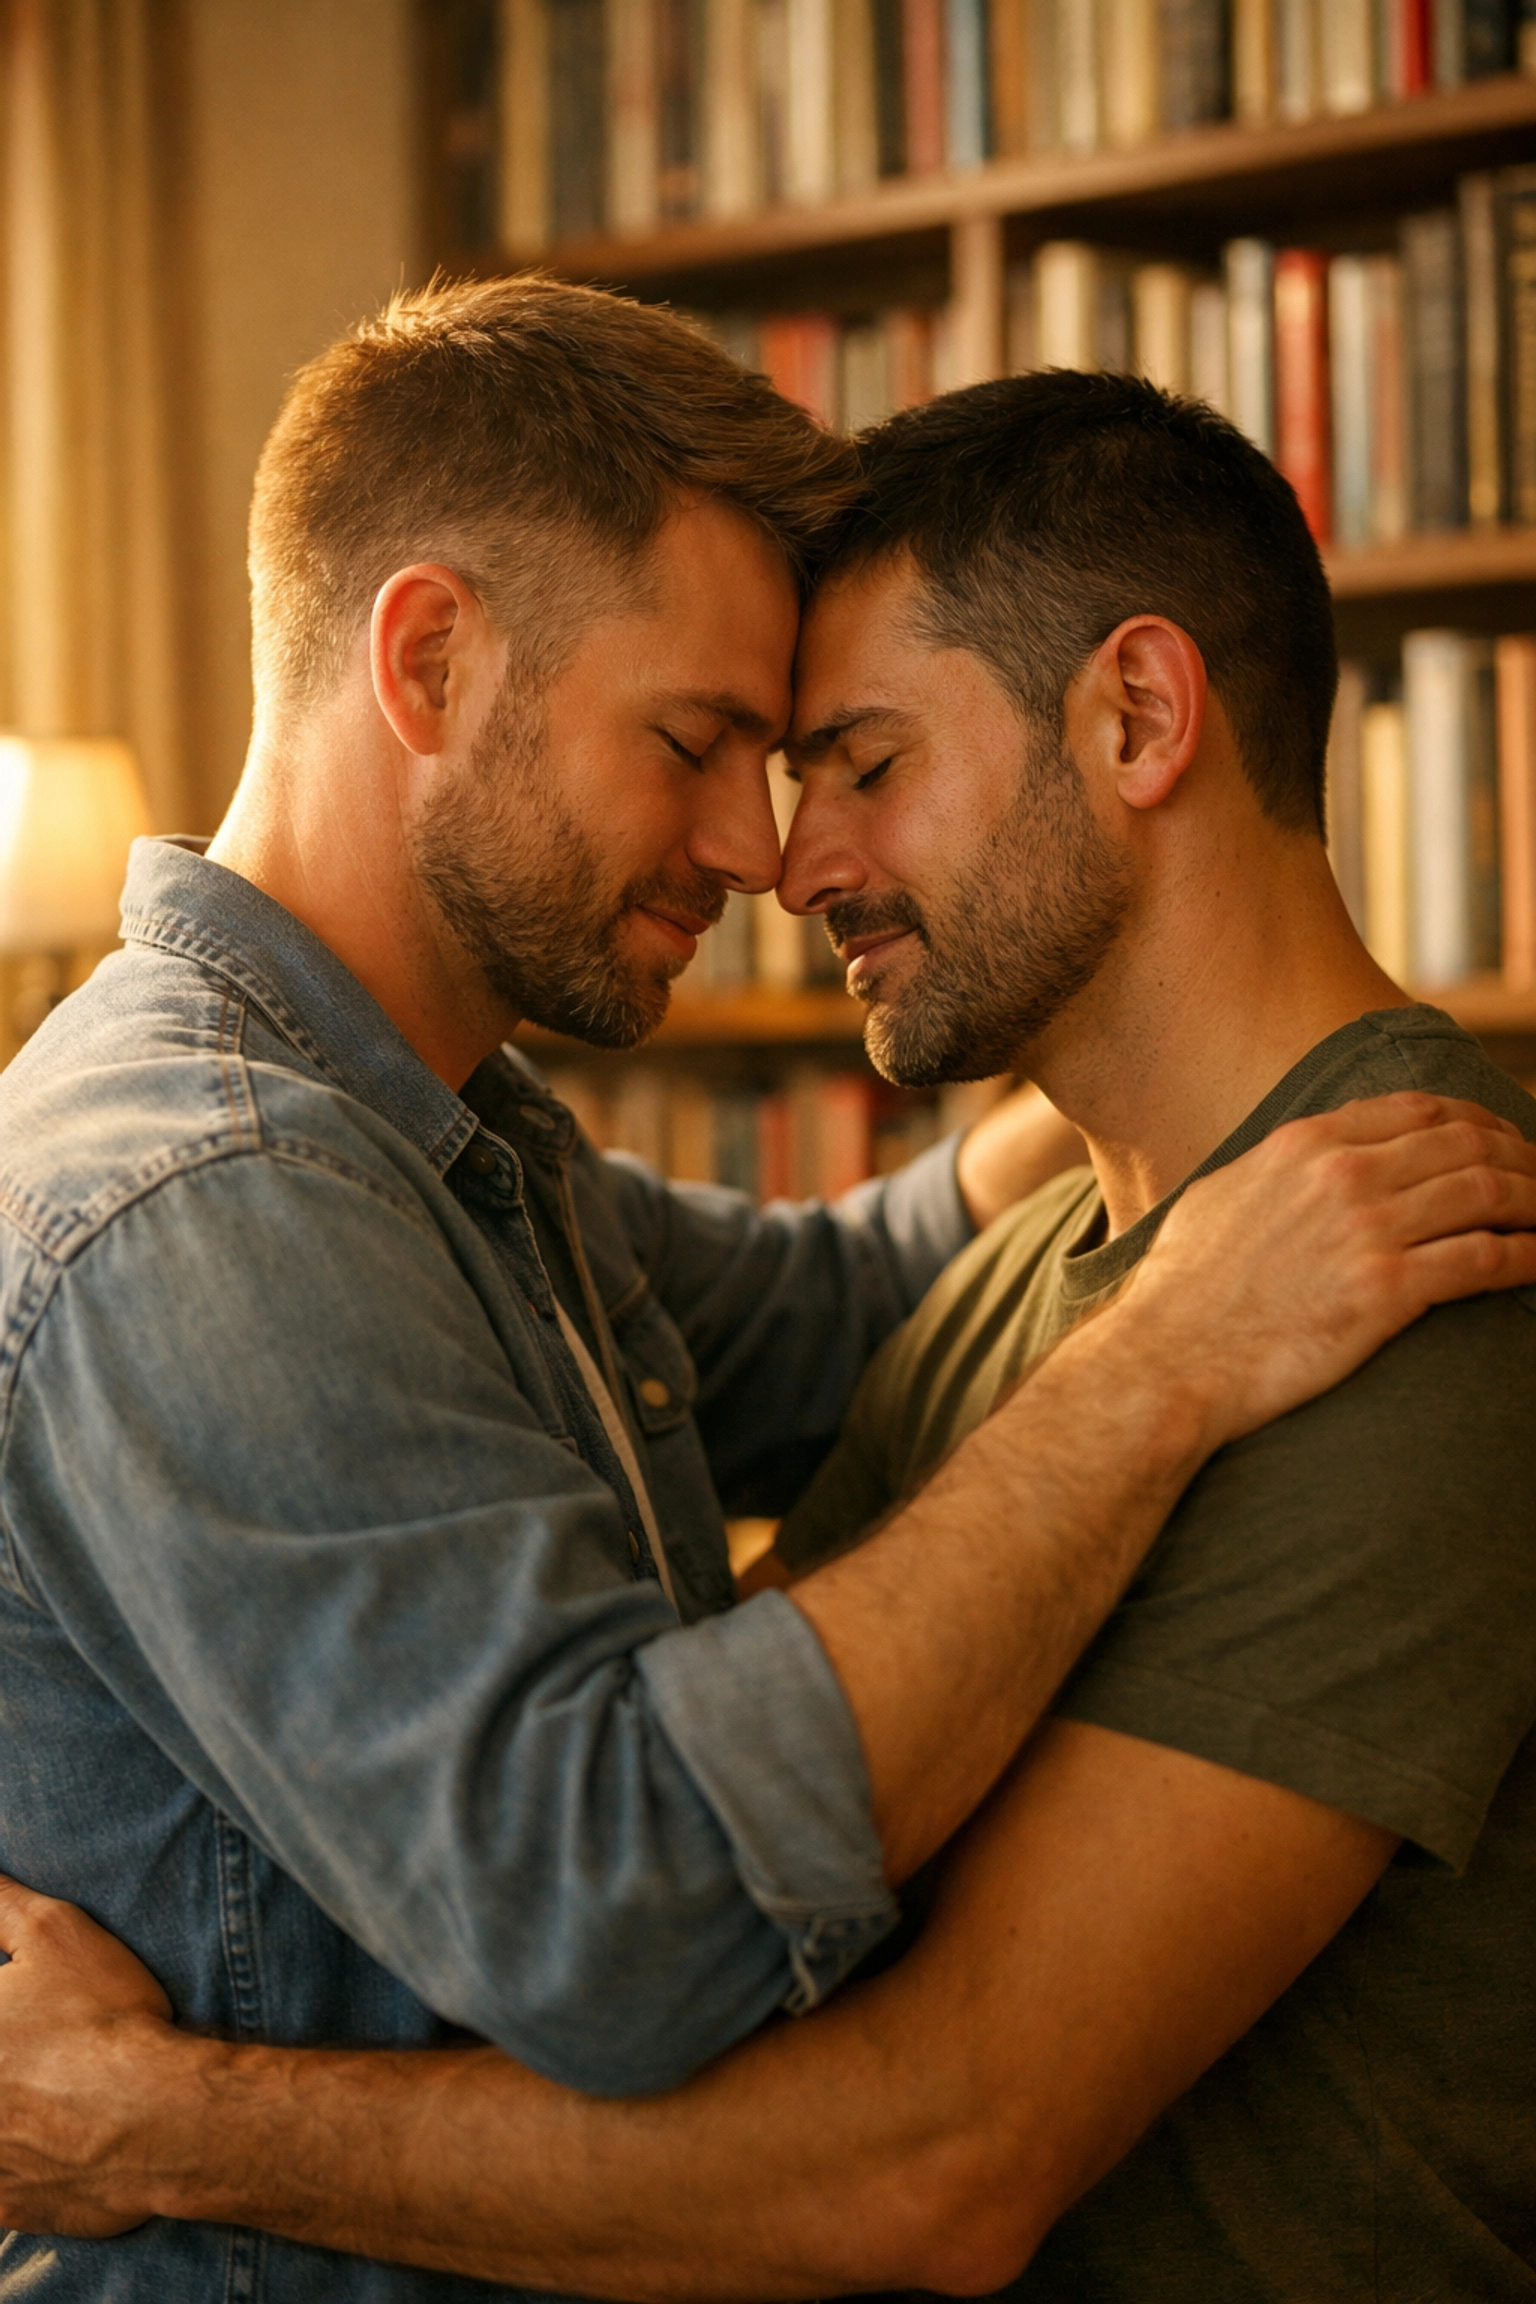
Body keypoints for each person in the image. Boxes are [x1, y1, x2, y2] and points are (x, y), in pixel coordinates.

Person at [1, 367, 1534, 2304]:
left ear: (1140, 716)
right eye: (710, 742)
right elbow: (650, 1877)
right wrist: (1164, 1328)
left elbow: (814, 1308)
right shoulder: (206, 1196)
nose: (773, 855)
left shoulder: (1390, 1261)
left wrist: (1146, 1081)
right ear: (430, 664)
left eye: (850, 762)